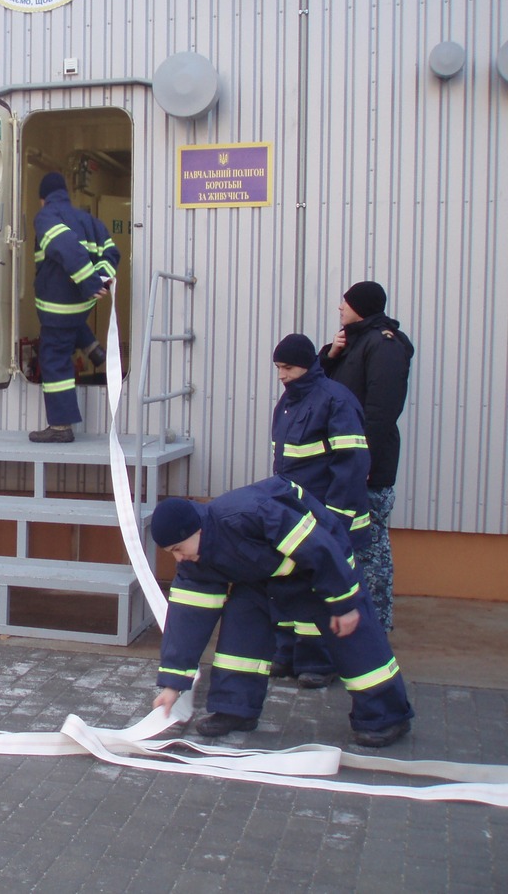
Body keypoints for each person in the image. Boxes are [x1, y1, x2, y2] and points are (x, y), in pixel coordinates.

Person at [150, 476, 413, 748]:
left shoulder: (251, 512)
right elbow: (186, 621)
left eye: (178, 549)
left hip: (322, 568)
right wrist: (172, 685)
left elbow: (320, 549)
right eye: (171, 552)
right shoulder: (195, 561)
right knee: (242, 628)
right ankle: (235, 708)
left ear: (198, 530)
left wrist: (344, 604)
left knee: (354, 640)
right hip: (263, 578)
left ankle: (386, 717)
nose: (178, 558)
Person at [269, 333, 371, 689]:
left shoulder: (335, 401)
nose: (282, 375)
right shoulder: (288, 403)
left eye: (289, 367)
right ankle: (287, 655)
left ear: (309, 364)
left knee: (323, 590)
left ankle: (319, 662)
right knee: (289, 586)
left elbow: (352, 464)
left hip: (327, 518)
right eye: (279, 367)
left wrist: (334, 520)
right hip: (295, 515)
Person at [318, 281, 414, 631]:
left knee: (369, 549)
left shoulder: (383, 345)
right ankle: (351, 625)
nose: (339, 309)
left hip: (366, 468)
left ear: (360, 306)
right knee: (347, 547)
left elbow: (380, 411)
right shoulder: (353, 343)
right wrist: (330, 355)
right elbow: (317, 388)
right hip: (344, 465)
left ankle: (373, 629)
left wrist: (364, 463)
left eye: (344, 303)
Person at [28, 171, 120, 444]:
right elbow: (111, 252)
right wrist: (101, 279)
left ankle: (59, 427)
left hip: (58, 305)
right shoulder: (89, 220)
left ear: (43, 200)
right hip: (81, 305)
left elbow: (67, 247)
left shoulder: (46, 217)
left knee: (54, 358)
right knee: (73, 324)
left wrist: (89, 281)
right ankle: (93, 349)